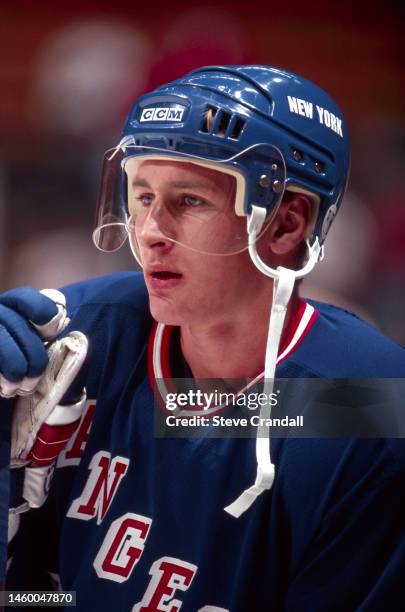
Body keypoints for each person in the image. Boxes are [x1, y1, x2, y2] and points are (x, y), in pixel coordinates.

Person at [2, 65, 405, 611]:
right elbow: (46, 599)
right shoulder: (88, 337)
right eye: (143, 197)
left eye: (190, 201)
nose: (149, 233)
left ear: (286, 225)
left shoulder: (362, 402)